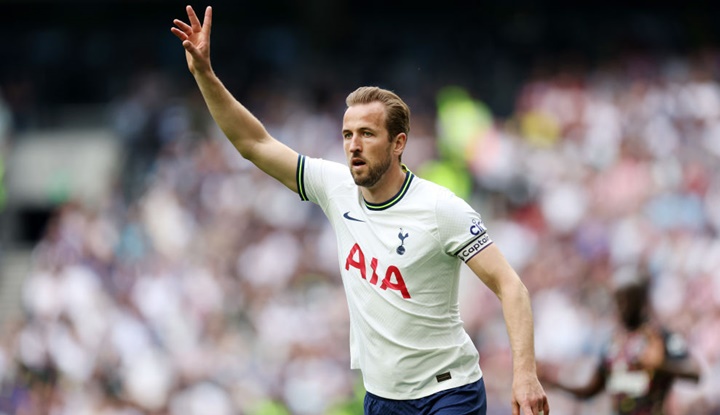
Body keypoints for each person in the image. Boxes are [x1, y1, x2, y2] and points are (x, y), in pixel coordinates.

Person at [170, 5, 549, 415]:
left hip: (448, 392)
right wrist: (205, 75)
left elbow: (511, 287)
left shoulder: (441, 209)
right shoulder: (336, 188)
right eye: (348, 134)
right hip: (382, 397)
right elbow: (254, 144)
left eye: (367, 134)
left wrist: (525, 374)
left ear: (398, 143)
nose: (353, 145)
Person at [539, 273, 700, 415]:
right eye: (618, 300)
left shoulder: (659, 337)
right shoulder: (613, 343)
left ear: (641, 301)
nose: (621, 307)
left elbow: (694, 372)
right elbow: (591, 389)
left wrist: (661, 365)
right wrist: (553, 383)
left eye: (627, 300)